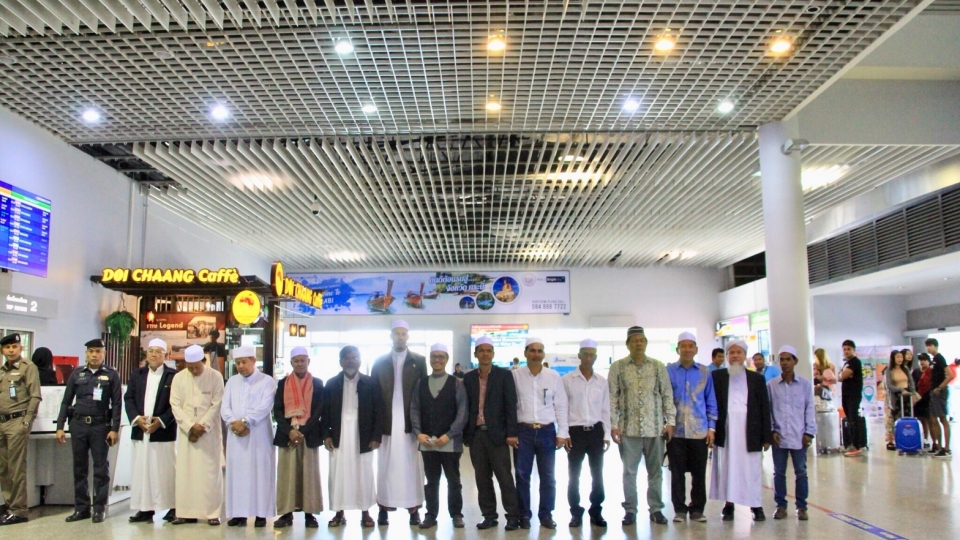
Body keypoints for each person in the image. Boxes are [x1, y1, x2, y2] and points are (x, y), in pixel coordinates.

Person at [608, 326, 675, 526]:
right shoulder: (618, 367)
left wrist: (670, 422)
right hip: (628, 430)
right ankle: (630, 510)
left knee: (655, 472)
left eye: (642, 340)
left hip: (655, 429)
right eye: (634, 340)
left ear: (646, 343)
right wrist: (613, 424)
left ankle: (656, 509)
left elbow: (667, 394)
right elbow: (612, 397)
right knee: (629, 472)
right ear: (628, 344)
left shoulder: (657, 366)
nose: (638, 344)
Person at [55, 339, 122, 524]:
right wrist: (60, 426)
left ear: (104, 353)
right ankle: (81, 508)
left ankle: (99, 508)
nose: (94, 355)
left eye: (98, 351)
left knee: (100, 469)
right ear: (86, 353)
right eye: (91, 351)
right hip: (79, 425)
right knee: (79, 468)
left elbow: (117, 404)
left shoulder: (111, 374)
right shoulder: (77, 374)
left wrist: (114, 429)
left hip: (100, 426)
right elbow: (66, 401)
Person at [462, 336, 521, 531]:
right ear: (476, 354)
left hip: (498, 435)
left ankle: (513, 516)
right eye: (481, 350)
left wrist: (511, 433)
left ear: (493, 354)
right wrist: (467, 434)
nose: (485, 354)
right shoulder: (469, 378)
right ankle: (489, 516)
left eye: (488, 350)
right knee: (482, 478)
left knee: (504, 477)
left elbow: (511, 405)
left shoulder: (504, 375)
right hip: (476, 435)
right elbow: (466, 407)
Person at [709, 339, 771, 522]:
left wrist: (766, 436)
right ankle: (729, 505)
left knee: (751, 469)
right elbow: (710, 403)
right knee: (727, 467)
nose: (735, 356)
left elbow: (764, 408)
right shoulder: (717, 376)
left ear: (745, 356)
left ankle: (756, 505)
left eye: (739, 352)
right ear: (727, 356)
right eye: (732, 353)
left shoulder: (757, 379)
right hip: (726, 430)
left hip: (750, 430)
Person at [322, 346, 383, 528]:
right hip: (339, 436)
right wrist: (326, 435)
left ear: (360, 360)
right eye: (347, 358)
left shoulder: (370, 383)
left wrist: (376, 436)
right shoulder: (332, 384)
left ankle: (365, 512)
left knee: (363, 473)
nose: (350, 361)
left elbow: (379, 412)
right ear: (340, 361)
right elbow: (324, 413)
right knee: (338, 474)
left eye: (354, 357)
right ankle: (339, 513)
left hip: (363, 436)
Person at [512, 337, 569, 530]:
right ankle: (523, 515)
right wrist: (511, 432)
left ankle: (546, 514)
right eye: (532, 350)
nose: (536, 354)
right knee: (522, 476)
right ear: (525, 353)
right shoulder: (515, 376)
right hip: (523, 432)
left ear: (543, 354)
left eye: (540, 351)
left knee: (548, 477)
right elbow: (510, 406)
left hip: (547, 432)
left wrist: (562, 432)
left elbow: (561, 405)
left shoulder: (553, 377)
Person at [410, 343, 468, 529]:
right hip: (427, 442)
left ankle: (456, 514)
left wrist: (449, 434)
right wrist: (418, 433)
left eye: (441, 356)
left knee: (454, 481)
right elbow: (414, 409)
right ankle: (431, 515)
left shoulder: (457, 383)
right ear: (430, 359)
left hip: (450, 442)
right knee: (431, 481)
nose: (437, 360)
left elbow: (462, 412)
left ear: (447, 359)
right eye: (434, 356)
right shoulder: (421, 383)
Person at [169, 344, 224, 526]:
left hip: (209, 432)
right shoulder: (178, 378)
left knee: (210, 473)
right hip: (186, 432)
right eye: (190, 367)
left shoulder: (215, 376)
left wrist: (202, 426)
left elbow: (217, 404)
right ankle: (185, 512)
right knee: (186, 472)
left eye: (197, 367)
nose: (193, 370)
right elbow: (175, 405)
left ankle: (212, 513)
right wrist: (190, 426)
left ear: (204, 361)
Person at [222, 346, 276, 527]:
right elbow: (225, 406)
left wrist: (245, 421)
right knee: (238, 474)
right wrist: (233, 423)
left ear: (253, 361)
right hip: (236, 435)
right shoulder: (232, 382)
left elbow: (265, 406)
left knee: (260, 474)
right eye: (237, 363)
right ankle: (239, 514)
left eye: (244, 362)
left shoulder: (267, 381)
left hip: (259, 435)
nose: (240, 366)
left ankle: (261, 514)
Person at [124, 339, 178, 523]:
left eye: (158, 351)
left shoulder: (173, 376)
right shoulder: (137, 374)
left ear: (165, 355)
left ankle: (173, 507)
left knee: (166, 471)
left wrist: (161, 421)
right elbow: (129, 398)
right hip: (141, 431)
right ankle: (145, 509)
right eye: (151, 351)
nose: (154, 355)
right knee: (142, 470)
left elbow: (177, 403)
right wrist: (136, 418)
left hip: (163, 432)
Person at [665, 332, 717, 523]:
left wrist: (711, 428)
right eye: (683, 346)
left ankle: (697, 509)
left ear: (696, 349)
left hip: (699, 430)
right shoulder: (668, 371)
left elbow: (711, 400)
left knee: (699, 473)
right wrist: (667, 423)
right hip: (676, 431)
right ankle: (679, 509)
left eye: (691, 346)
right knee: (677, 473)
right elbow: (664, 399)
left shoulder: (705, 372)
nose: (687, 349)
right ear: (677, 349)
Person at [562, 338, 611, 528]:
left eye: (592, 355)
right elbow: (563, 409)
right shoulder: (567, 380)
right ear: (579, 355)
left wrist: (606, 435)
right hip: (575, 433)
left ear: (596, 357)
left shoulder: (602, 382)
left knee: (597, 474)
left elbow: (605, 410)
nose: (588, 358)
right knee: (574, 474)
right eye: (585, 354)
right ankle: (575, 511)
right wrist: (564, 433)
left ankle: (596, 510)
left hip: (596, 432)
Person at [273, 347, 324, 529]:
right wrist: (290, 431)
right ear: (291, 363)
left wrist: (302, 432)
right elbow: (278, 410)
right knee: (287, 476)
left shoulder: (317, 383)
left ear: (308, 361)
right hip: (287, 435)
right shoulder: (283, 383)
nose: (300, 364)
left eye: (303, 360)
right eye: (296, 361)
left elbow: (319, 410)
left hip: (308, 435)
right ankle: (286, 514)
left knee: (309, 476)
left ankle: (310, 515)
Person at [767, 345, 816, 521]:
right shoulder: (771, 385)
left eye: (788, 359)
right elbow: (768, 410)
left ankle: (802, 507)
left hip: (799, 435)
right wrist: (771, 430)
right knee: (779, 472)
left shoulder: (805, 385)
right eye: (782, 359)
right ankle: (781, 506)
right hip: (779, 436)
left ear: (795, 361)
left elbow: (809, 408)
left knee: (801, 472)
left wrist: (809, 432)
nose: (785, 363)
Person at [0, 333, 41, 526]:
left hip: (17, 422)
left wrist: (26, 422)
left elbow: (35, 396)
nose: (11, 350)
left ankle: (18, 510)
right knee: (4, 468)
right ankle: (9, 505)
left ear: (20, 348)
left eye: (14, 347)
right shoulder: (2, 370)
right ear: (2, 350)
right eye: (7, 347)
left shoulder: (28, 367)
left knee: (16, 468)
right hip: (2, 423)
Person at [925, 338, 954, 458]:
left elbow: (950, 375)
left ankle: (946, 448)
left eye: (930, 345)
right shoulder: (933, 360)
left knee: (942, 419)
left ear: (936, 346)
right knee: (933, 419)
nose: (928, 348)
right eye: (927, 346)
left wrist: (940, 388)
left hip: (939, 392)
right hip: (933, 392)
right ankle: (938, 445)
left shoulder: (940, 358)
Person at [883, 350, 916, 451]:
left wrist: (911, 391)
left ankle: (905, 439)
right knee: (892, 419)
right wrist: (901, 390)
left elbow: (911, 382)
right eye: (897, 357)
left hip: (906, 397)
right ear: (893, 358)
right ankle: (891, 441)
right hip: (894, 397)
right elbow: (889, 386)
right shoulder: (889, 370)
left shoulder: (905, 369)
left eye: (901, 357)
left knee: (906, 417)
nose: (900, 359)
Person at [838, 340, 865, 457]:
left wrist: (842, 375)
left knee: (853, 420)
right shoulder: (847, 363)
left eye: (849, 349)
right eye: (844, 349)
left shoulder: (855, 362)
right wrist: (842, 375)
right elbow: (840, 376)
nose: (846, 351)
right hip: (846, 395)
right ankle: (851, 444)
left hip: (853, 395)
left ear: (854, 350)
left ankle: (856, 446)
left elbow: (842, 376)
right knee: (849, 420)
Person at [914, 353, 933, 449]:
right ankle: (924, 439)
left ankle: (934, 442)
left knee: (930, 420)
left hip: (929, 399)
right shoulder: (916, 372)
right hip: (918, 399)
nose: (922, 362)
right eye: (920, 360)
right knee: (921, 420)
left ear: (928, 361)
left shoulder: (931, 372)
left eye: (924, 360)